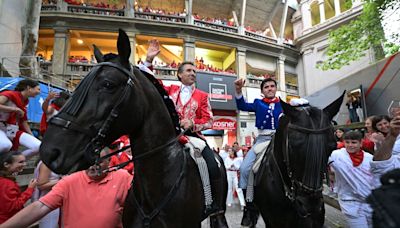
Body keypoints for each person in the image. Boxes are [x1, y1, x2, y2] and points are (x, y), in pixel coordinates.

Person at [141, 39, 227, 226]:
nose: (193, 73)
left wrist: (193, 123)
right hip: (170, 136)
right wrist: (149, 60)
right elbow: (151, 82)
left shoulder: (203, 96)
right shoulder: (171, 89)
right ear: (179, 75)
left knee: (213, 164)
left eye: (194, 71)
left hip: (194, 138)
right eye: (189, 70)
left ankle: (216, 210)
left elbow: (210, 120)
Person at [0, 147, 133, 228]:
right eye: (90, 161)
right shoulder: (70, 181)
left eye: (100, 161)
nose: (93, 166)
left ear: (109, 161)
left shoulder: (122, 177)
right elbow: (40, 207)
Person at [234, 77, 282, 226]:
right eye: (266, 87)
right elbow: (242, 105)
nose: (269, 88)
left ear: (275, 88)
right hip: (262, 140)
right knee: (244, 169)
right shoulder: (257, 103)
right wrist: (238, 90)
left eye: (272, 86)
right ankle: (249, 207)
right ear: (262, 91)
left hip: (280, 140)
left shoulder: (284, 104)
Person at [328, 130, 377, 228]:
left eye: (354, 142)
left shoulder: (370, 158)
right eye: (347, 142)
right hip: (350, 203)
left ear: (361, 143)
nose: (350, 145)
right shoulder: (336, 156)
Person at [0, 79, 41, 157]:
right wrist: (15, 109)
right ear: (29, 88)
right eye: (38, 89)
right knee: (6, 145)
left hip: (11, 127)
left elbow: (23, 121)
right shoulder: (9, 94)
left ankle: (14, 162)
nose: (39, 92)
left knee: (38, 146)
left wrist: (31, 135)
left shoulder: (25, 101)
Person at [0, 151, 37, 224]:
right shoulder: (6, 184)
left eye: (25, 161)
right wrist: (30, 189)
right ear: (6, 164)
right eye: (21, 162)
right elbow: (13, 207)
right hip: (7, 222)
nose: (25, 164)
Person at [31, 161, 61, 228]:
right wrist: (62, 180)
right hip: (47, 200)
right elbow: (41, 185)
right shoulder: (46, 164)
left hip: (55, 198)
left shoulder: (53, 162)